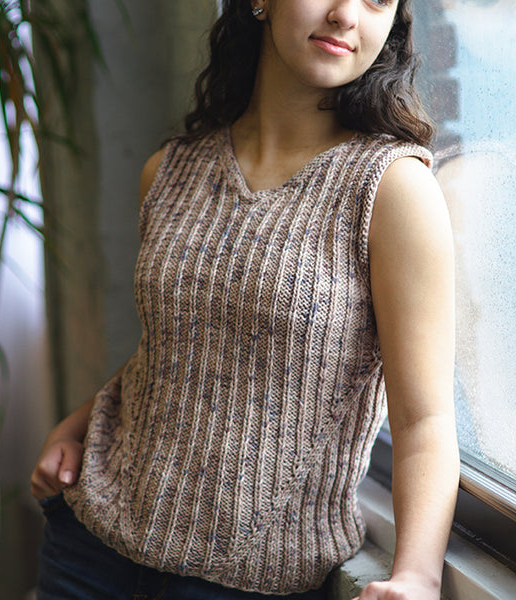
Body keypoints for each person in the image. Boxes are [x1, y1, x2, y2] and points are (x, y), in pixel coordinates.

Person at [30, 1, 459, 599]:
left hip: (251, 579)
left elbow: (424, 419)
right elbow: (181, 346)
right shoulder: (170, 170)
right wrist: (76, 425)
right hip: (87, 550)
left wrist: (417, 574)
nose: (345, 14)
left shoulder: (392, 189)